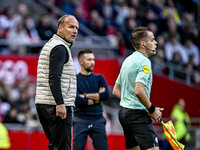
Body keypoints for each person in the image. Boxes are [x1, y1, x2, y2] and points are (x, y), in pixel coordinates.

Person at [112, 27, 164, 150]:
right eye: (152, 40)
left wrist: (133, 101)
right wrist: (152, 110)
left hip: (124, 114)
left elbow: (116, 90)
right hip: (137, 116)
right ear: (143, 44)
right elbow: (139, 90)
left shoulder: (127, 60)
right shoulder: (144, 62)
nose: (155, 42)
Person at [35, 15, 79, 150]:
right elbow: (54, 77)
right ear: (60, 28)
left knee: (55, 146)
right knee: (62, 147)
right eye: (71, 27)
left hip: (45, 103)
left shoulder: (51, 44)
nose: (75, 31)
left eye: (76, 28)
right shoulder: (60, 47)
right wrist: (60, 103)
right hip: (56, 105)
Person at [73, 49, 110, 150]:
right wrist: (97, 97)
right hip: (80, 119)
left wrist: (84, 95)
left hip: (98, 119)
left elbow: (106, 95)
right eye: (89, 60)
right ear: (81, 62)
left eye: (93, 59)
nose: (93, 62)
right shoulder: (74, 79)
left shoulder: (99, 78)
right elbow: (76, 100)